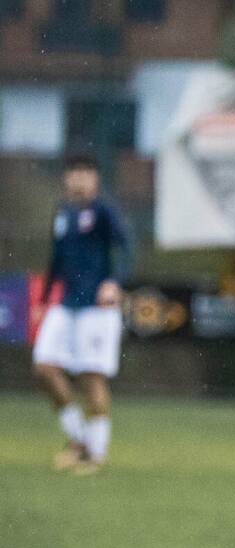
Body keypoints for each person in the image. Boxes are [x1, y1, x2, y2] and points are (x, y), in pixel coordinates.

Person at [32, 154, 133, 475]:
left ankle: (95, 452)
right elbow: (56, 258)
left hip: (96, 309)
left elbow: (126, 247)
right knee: (44, 366)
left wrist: (114, 282)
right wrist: (44, 299)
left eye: (85, 173)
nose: (79, 178)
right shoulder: (64, 212)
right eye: (74, 172)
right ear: (66, 178)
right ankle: (78, 438)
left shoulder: (103, 211)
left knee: (92, 376)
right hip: (66, 304)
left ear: (95, 179)